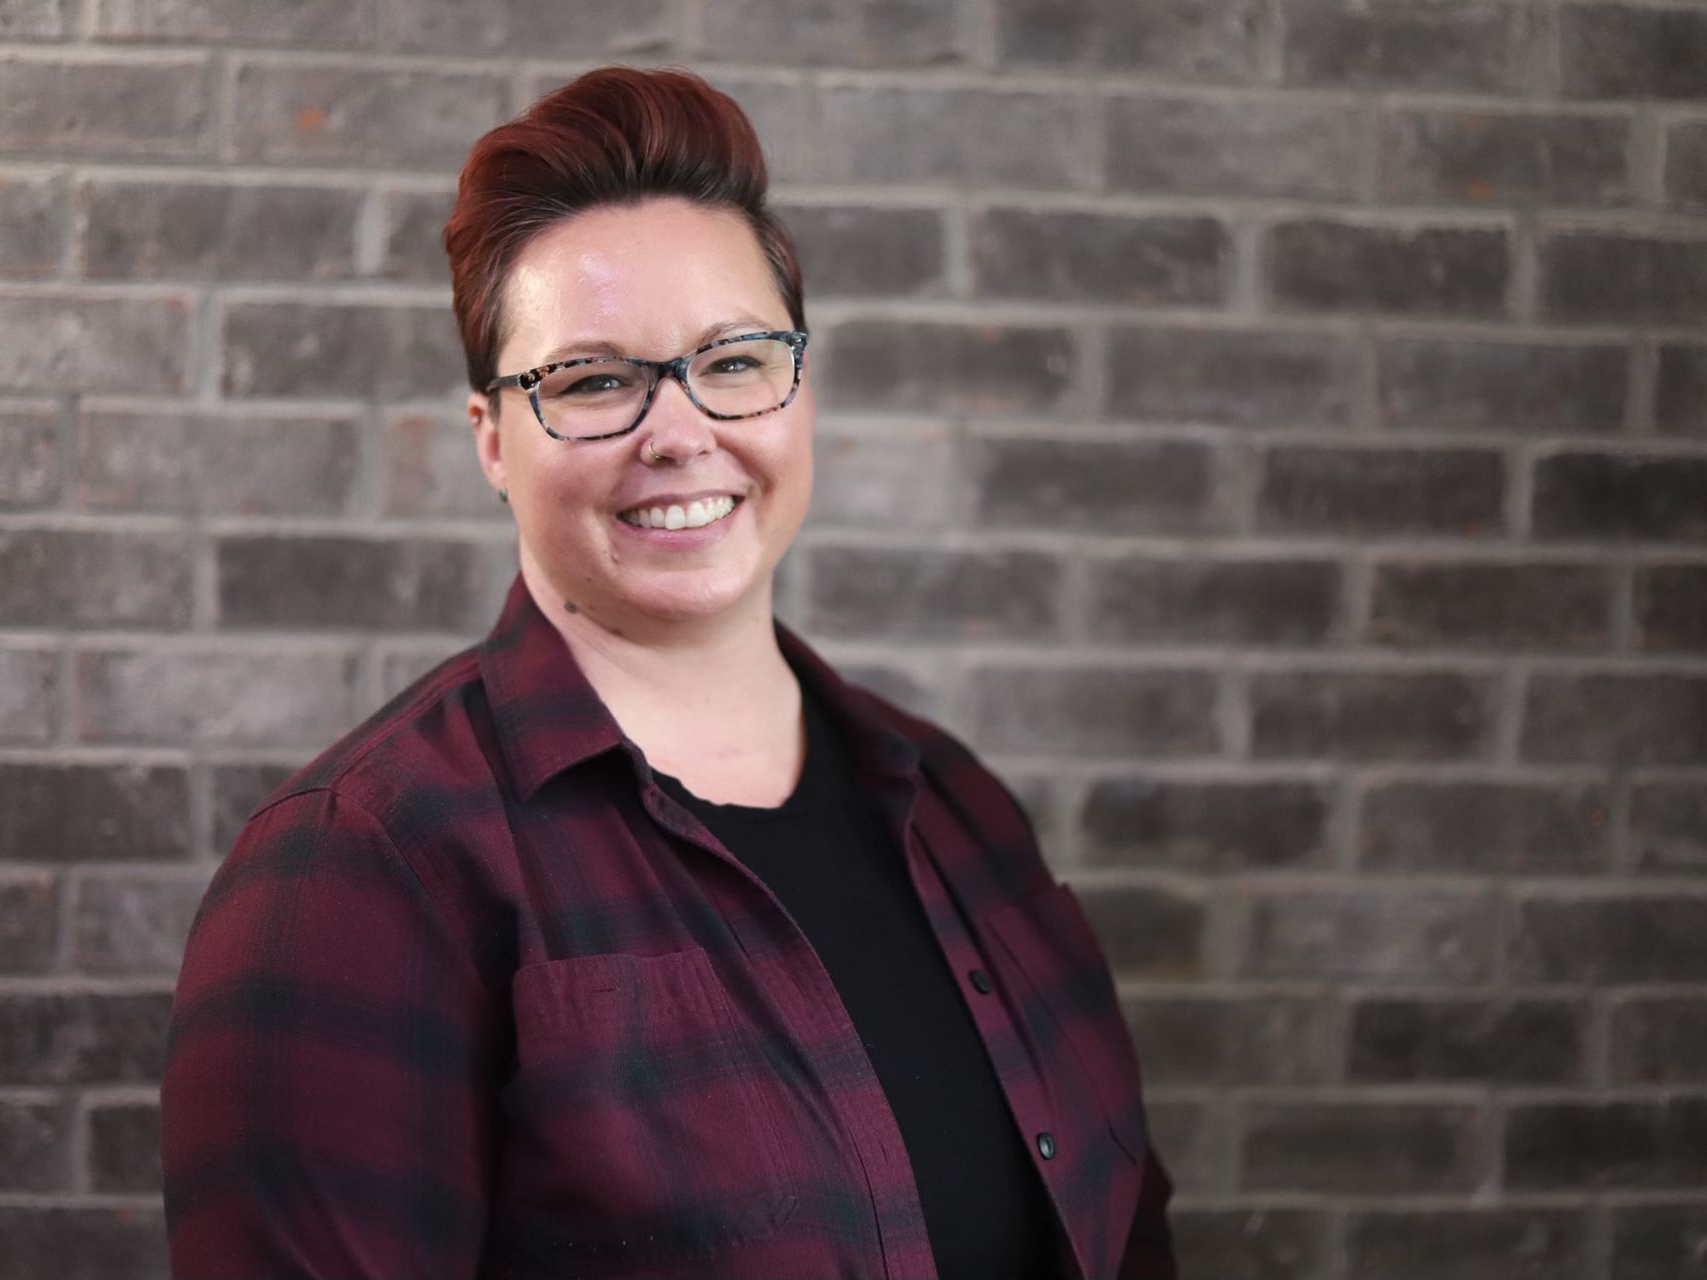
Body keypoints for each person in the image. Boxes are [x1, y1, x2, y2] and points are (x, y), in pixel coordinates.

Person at [161, 65, 1177, 1280]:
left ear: (799, 386)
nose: (681, 430)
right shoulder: (366, 868)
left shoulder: (957, 808)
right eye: (593, 381)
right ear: (491, 438)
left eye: (736, 359)